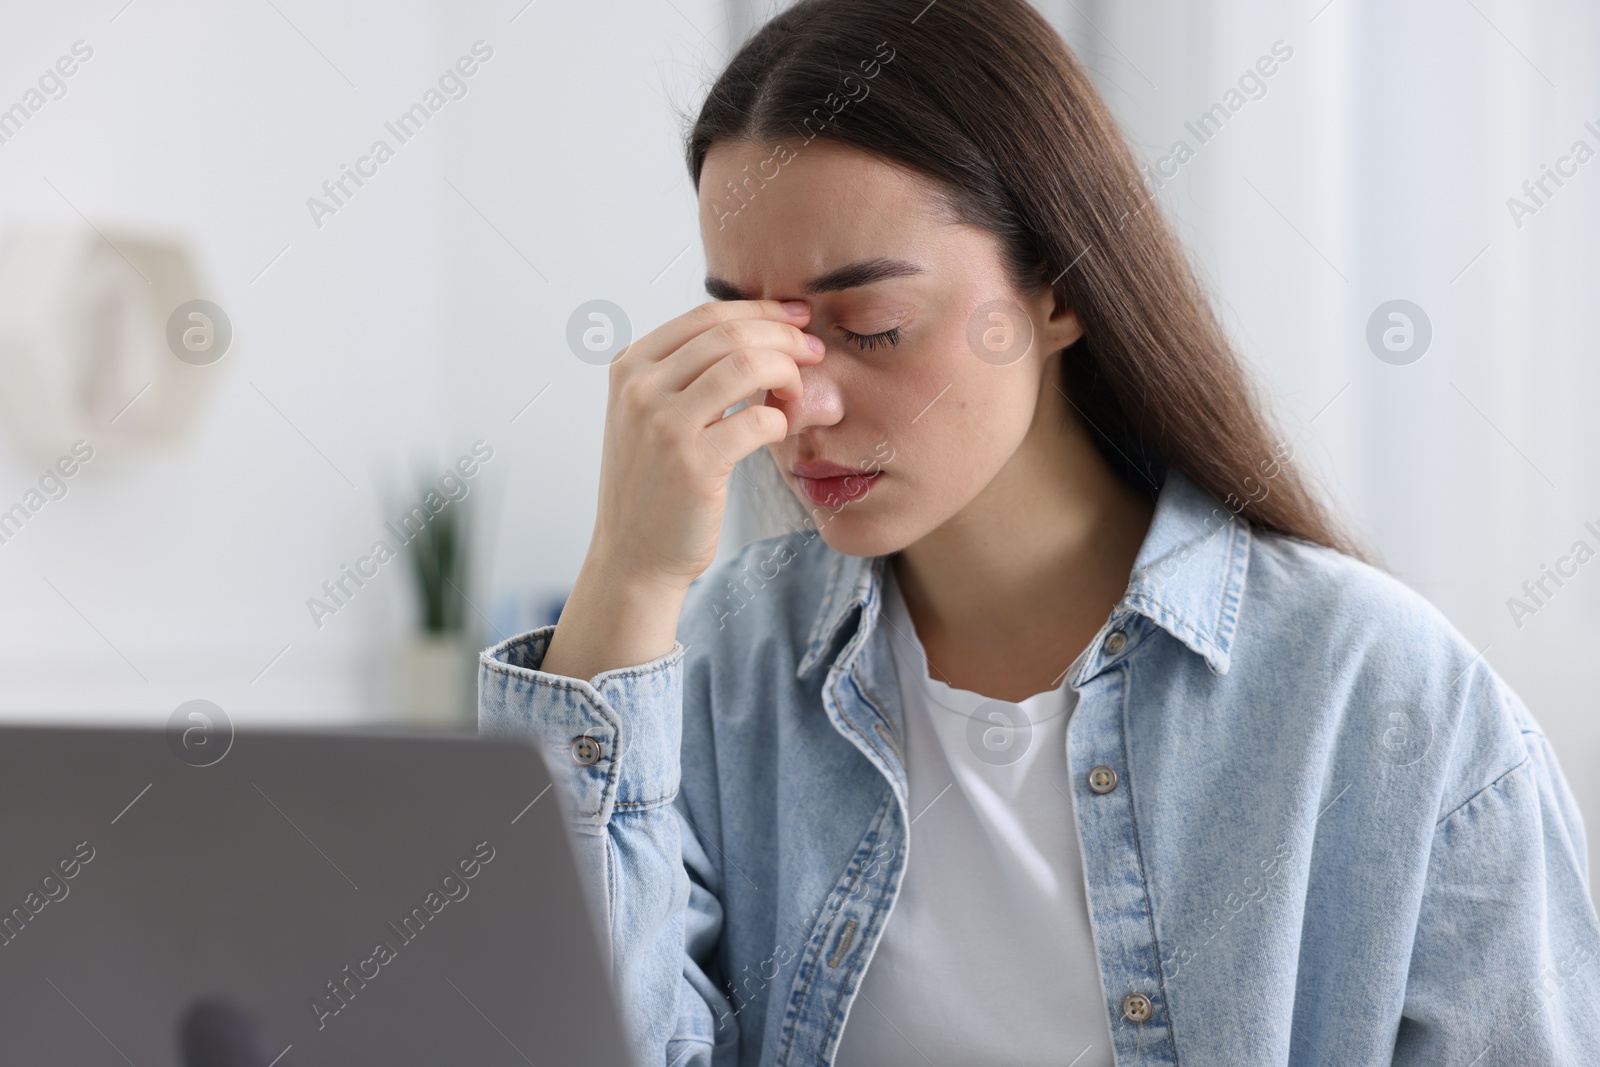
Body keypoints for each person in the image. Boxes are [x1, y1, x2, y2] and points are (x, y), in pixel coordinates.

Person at [479, 0, 1600, 1063]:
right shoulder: (724, 663)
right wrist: (628, 570)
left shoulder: (1385, 697)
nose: (797, 407)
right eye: (753, 334)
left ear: (1059, 291)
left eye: (871, 326)